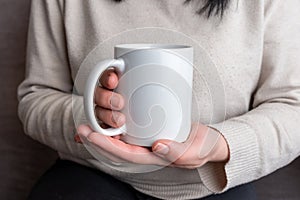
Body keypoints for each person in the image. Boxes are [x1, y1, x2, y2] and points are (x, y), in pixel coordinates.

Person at [17, 0, 300, 199]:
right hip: (91, 176)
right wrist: (92, 115)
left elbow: (292, 106)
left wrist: (221, 144)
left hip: (213, 183)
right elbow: (36, 97)